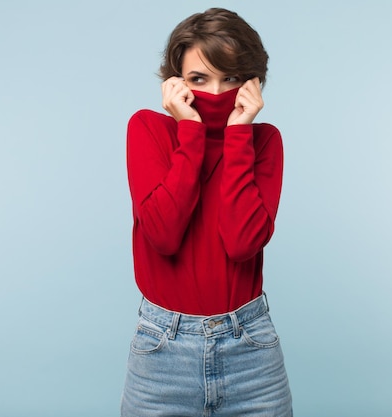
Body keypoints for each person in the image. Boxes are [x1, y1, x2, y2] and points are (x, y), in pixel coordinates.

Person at [121, 7, 292, 416]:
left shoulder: (264, 141)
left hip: (249, 348)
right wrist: (191, 133)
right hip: (162, 350)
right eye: (200, 79)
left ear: (252, 81)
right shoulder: (148, 129)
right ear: (176, 82)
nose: (216, 94)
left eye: (231, 78)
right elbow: (162, 234)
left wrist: (237, 135)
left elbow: (241, 242)